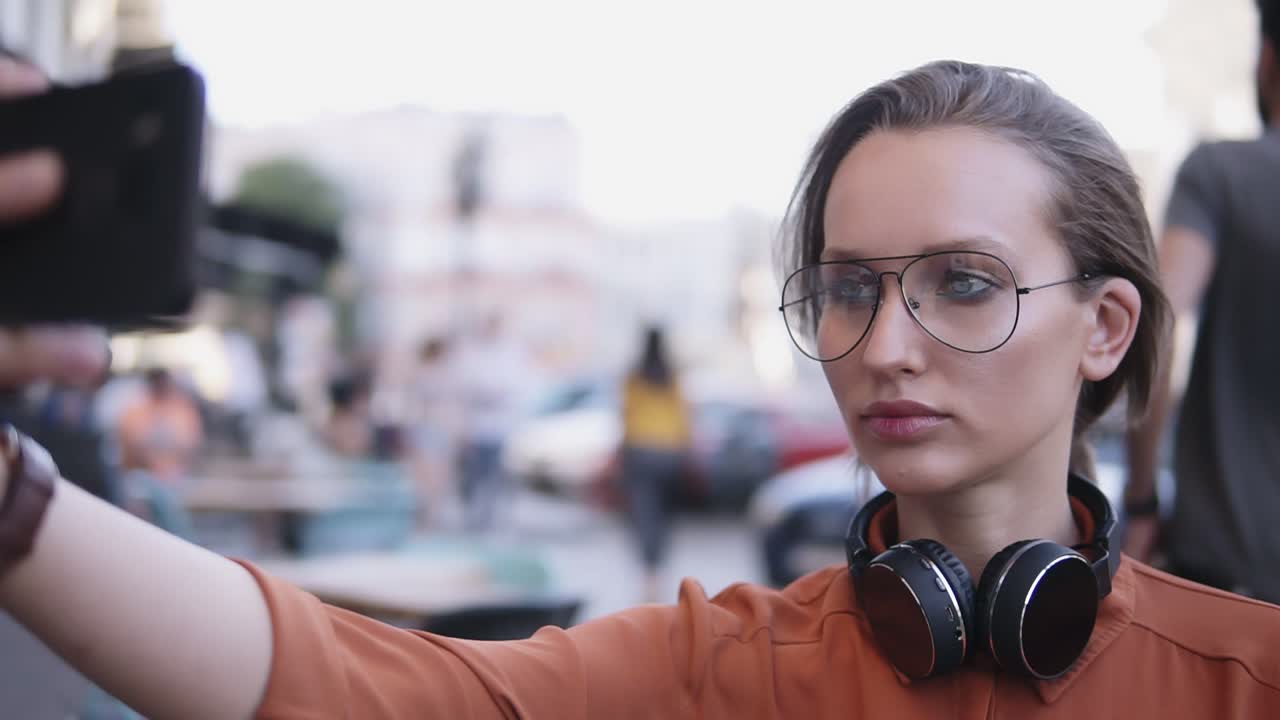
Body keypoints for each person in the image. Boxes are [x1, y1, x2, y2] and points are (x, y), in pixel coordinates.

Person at [1, 59, 1280, 719]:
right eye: (846, 289)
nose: (884, 343)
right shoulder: (718, 670)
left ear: (1104, 326)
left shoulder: (1247, 681)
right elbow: (345, 688)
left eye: (960, 283)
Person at [1122, 0, 1280, 603]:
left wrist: (1141, 498)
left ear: (1266, 61)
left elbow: (1155, 321)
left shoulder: (1222, 174)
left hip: (1231, 578)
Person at [619, 325, 692, 603]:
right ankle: (659, 572)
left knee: (644, 513)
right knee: (664, 515)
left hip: (640, 449)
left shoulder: (634, 376)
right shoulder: (671, 376)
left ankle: (649, 577)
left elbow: (626, 413)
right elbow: (683, 413)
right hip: (670, 452)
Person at [115, 367, 204, 484]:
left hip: (176, 475)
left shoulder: (182, 410)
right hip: (140, 475)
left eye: (164, 384)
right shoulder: (134, 411)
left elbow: (191, 443)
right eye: (158, 384)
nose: (161, 388)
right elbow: (131, 446)